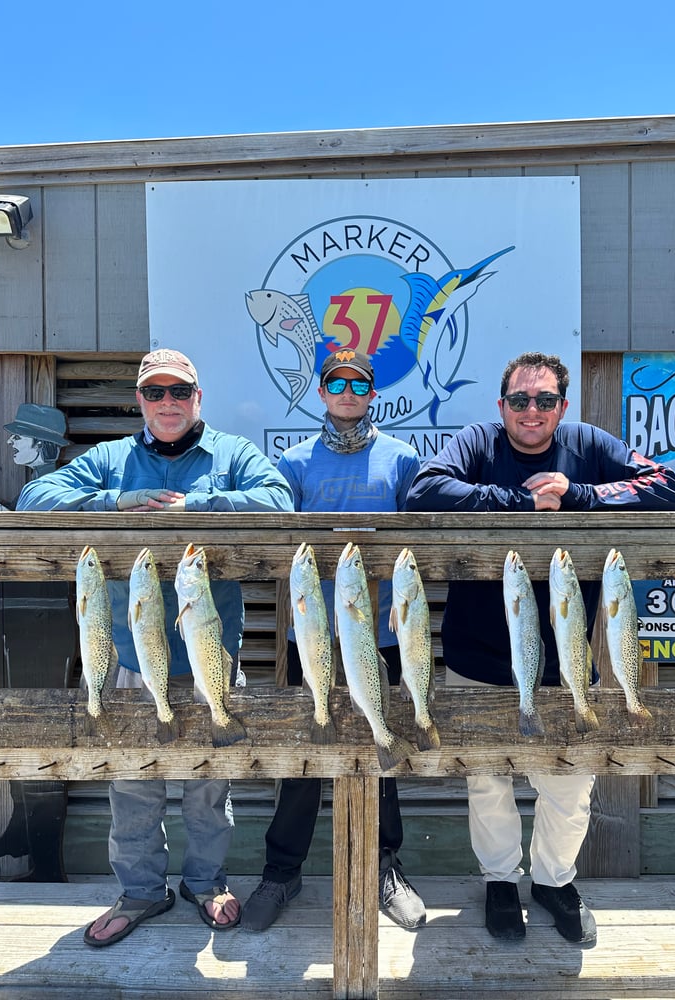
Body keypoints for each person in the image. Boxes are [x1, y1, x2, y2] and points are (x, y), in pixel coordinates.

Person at [405, 351, 675, 945]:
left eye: (544, 401)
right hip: (476, 652)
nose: (530, 411)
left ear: (562, 406)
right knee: (487, 779)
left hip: (564, 659)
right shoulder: (477, 443)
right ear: (500, 405)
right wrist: (517, 503)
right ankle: (500, 881)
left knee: (570, 780)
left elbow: (669, 490)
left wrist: (578, 492)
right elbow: (423, 491)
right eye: (518, 400)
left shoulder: (587, 445)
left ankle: (555, 883)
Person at [16, 348, 295, 946]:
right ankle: (141, 890)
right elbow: (35, 499)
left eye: (179, 392)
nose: (167, 402)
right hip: (127, 655)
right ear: (139, 401)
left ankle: (206, 881)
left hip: (212, 656)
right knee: (132, 783)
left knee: (209, 784)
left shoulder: (234, 454)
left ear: (198, 398)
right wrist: (112, 504)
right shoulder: (111, 459)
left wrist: (199, 507)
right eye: (154, 393)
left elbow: (277, 500)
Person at [240, 348, 427, 932]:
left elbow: (419, 542)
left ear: (374, 392)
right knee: (304, 756)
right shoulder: (292, 464)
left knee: (381, 746)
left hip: (381, 635)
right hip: (312, 635)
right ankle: (282, 871)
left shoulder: (402, 459)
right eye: (337, 381)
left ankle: (383, 869)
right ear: (320, 391)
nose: (348, 391)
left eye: (360, 382)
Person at [0, 404, 72, 881]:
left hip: (43, 627)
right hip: (14, 625)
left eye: (19, 437)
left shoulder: (55, 494)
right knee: (17, 724)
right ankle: (21, 831)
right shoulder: (31, 493)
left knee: (41, 731)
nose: (10, 443)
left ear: (42, 445)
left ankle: (47, 862)